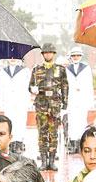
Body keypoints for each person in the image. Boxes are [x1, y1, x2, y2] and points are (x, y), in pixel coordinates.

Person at [29, 42, 69, 171]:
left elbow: (65, 86)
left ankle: (52, 161)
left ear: (53, 54)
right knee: (42, 134)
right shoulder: (36, 69)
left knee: (53, 134)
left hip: (55, 105)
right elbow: (30, 86)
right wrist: (32, 89)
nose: (48, 54)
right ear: (43, 55)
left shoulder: (60, 69)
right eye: (45, 52)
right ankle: (44, 161)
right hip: (41, 105)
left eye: (50, 52)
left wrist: (65, 102)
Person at [66, 47, 94, 154]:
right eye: (73, 56)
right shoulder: (67, 68)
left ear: (81, 56)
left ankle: (81, 143)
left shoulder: (86, 68)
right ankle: (73, 144)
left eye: (77, 55)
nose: (76, 57)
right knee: (72, 121)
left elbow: (89, 84)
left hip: (82, 98)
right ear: (71, 57)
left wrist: (90, 100)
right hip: (72, 98)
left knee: (82, 120)